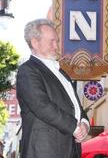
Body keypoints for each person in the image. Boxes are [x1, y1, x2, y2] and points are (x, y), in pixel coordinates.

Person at [16, 19, 90, 158]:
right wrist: (74, 128)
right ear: (35, 42)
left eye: (57, 41)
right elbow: (41, 105)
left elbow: (76, 106)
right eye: (51, 41)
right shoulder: (28, 70)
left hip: (70, 149)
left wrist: (85, 124)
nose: (56, 46)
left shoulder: (62, 73)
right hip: (44, 150)